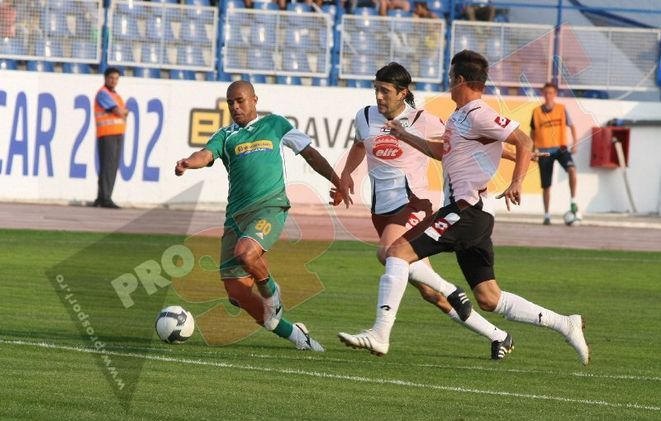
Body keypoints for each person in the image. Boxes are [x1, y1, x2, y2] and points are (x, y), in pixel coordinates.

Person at [338, 50, 590, 366]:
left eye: (449, 79)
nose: (447, 84)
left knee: (396, 253)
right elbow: (444, 151)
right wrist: (407, 135)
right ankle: (564, 323)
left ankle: (380, 334)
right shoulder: (459, 117)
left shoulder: (477, 113)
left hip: (465, 210)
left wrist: (516, 181)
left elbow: (523, 141)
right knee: (489, 298)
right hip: (471, 214)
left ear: (459, 80)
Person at [336, 62, 513, 360]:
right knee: (431, 294)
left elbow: (465, 143)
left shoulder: (423, 119)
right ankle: (498, 335)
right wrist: (345, 176)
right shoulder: (365, 116)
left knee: (387, 253)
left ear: (403, 93)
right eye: (376, 89)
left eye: (385, 91)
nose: (378, 96)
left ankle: (382, 333)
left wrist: (517, 153)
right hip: (382, 210)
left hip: (412, 203)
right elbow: (359, 145)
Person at [174, 80, 351, 352]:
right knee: (237, 294)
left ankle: (272, 293)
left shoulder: (276, 125)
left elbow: (310, 154)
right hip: (236, 218)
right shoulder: (226, 135)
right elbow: (205, 154)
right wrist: (189, 162)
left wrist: (337, 181)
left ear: (255, 100)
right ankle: (296, 335)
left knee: (247, 254)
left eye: (240, 100)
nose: (235, 106)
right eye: (230, 102)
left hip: (269, 207)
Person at [530, 82, 579, 225]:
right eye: (545, 92)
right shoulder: (536, 112)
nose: (548, 95)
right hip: (544, 150)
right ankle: (546, 215)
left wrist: (574, 143)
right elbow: (532, 132)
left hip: (561, 148)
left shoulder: (562, 109)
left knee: (572, 170)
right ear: (542, 94)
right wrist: (533, 150)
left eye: (551, 92)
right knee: (546, 185)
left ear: (555, 94)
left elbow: (572, 126)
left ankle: (573, 202)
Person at [93, 67, 128, 209]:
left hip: (116, 133)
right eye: (111, 78)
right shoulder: (103, 93)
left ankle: (102, 197)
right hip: (107, 133)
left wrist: (123, 112)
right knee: (109, 166)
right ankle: (105, 198)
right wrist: (123, 112)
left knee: (111, 166)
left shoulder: (115, 95)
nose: (114, 81)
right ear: (106, 78)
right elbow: (118, 111)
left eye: (116, 78)